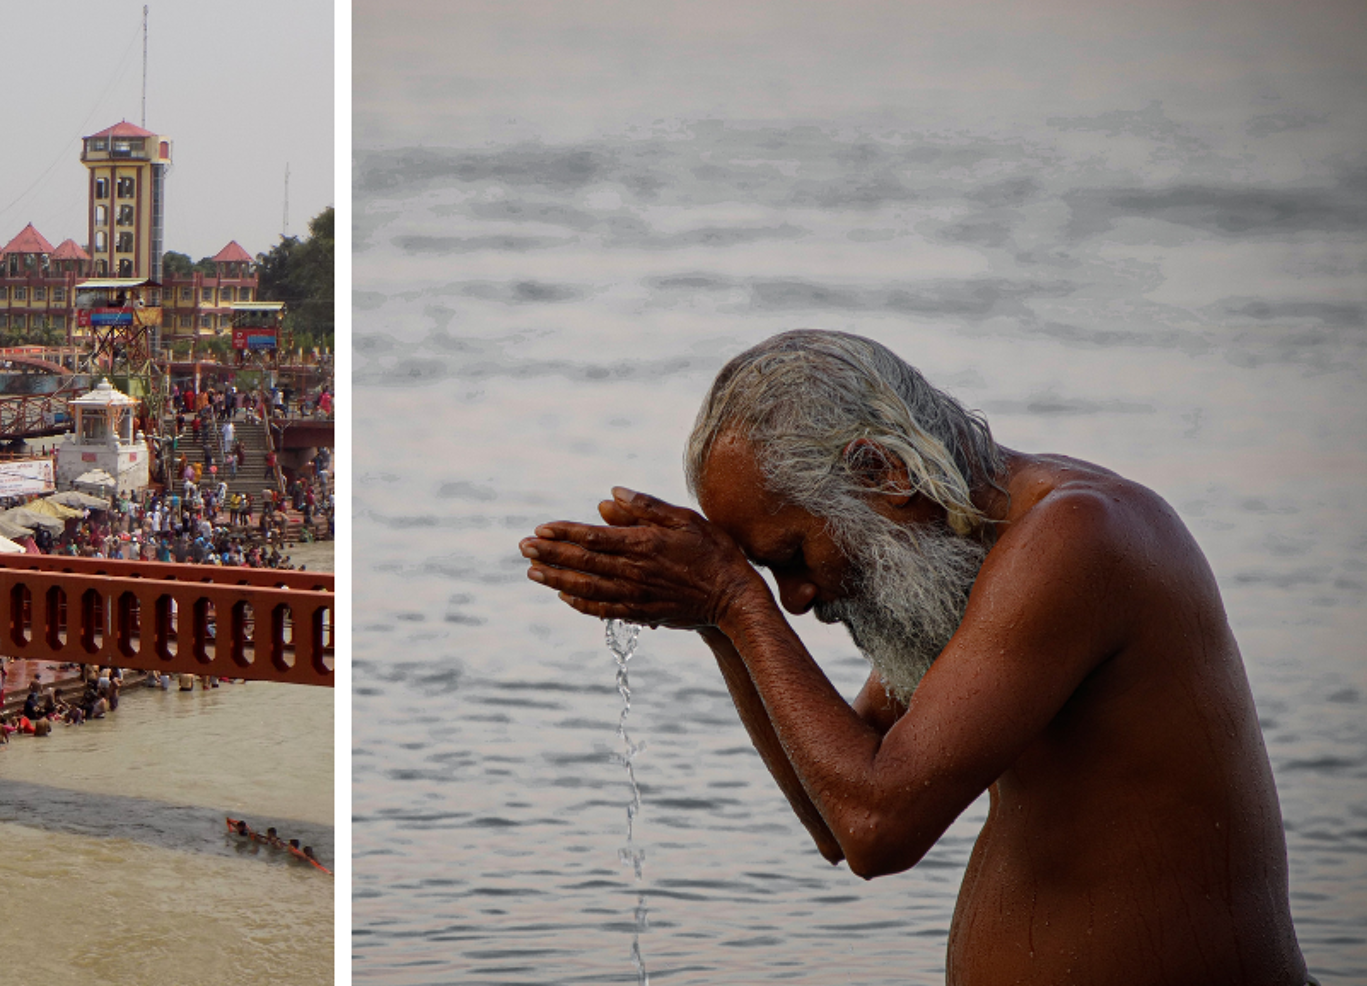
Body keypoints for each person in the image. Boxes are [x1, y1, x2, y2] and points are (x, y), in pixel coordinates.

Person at [521, 329, 1307, 986]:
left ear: (882, 472)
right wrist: (715, 620)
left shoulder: (1076, 539)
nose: (796, 597)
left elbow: (878, 825)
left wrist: (734, 601)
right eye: (769, 574)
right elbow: (835, 808)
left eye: (792, 553)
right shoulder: (965, 553)